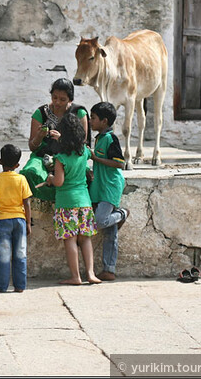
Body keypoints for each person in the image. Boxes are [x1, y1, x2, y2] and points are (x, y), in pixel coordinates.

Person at [50, 112, 100, 285]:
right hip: (84, 202)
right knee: (85, 239)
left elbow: (59, 181)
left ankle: (75, 276)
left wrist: (49, 179)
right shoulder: (85, 152)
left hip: (66, 203)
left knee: (70, 239)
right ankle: (91, 274)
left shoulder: (61, 158)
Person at [21, 78, 89, 201]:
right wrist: (39, 136)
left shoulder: (78, 113)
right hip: (43, 156)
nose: (57, 102)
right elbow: (32, 147)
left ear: (70, 99)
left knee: (84, 174)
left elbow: (82, 144)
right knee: (30, 172)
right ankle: (38, 208)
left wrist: (62, 140)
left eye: (63, 99)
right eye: (54, 97)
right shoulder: (41, 113)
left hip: (69, 155)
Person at [88, 102, 129, 281]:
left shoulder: (111, 139)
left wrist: (96, 158)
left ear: (104, 121)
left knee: (100, 221)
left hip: (110, 187)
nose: (90, 121)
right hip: (100, 186)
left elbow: (120, 163)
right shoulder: (99, 138)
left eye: (93, 118)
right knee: (110, 231)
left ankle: (123, 214)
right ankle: (109, 269)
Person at [0, 144, 33, 293]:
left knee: (4, 255)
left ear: (0, 161)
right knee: (20, 253)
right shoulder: (21, 179)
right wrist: (28, 222)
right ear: (17, 165)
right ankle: (20, 286)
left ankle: (2, 286)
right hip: (19, 220)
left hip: (3, 221)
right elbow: (27, 202)